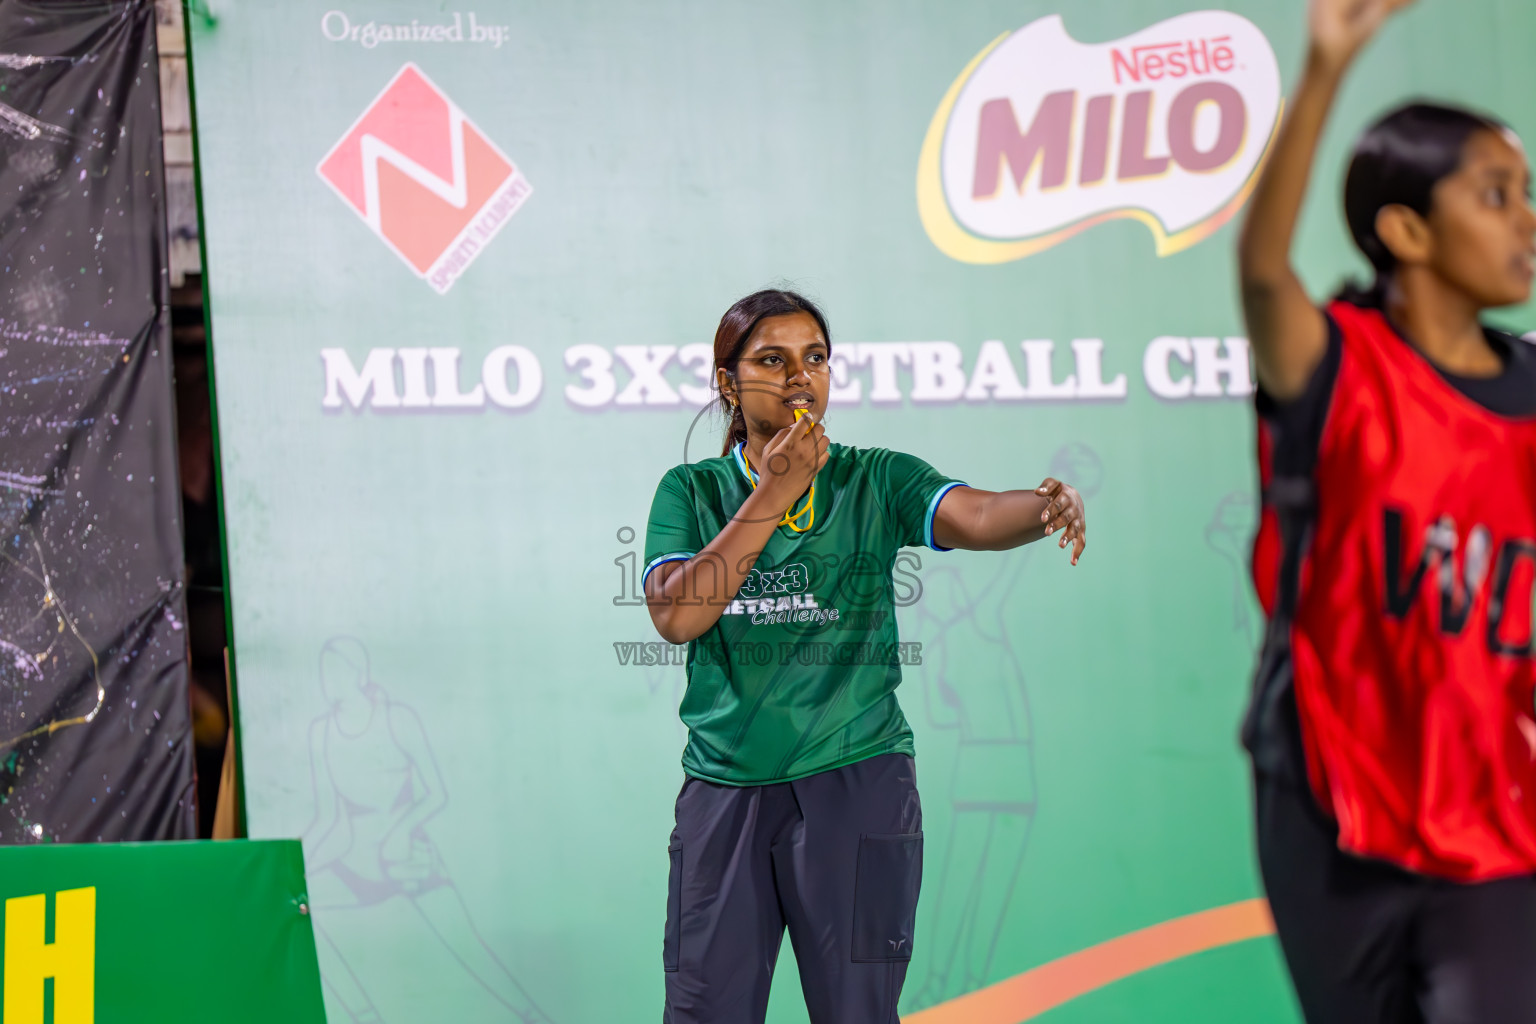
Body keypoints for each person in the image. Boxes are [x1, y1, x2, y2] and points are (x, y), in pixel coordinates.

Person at [643, 289, 1087, 1022]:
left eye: (814, 359)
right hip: (725, 790)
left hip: (858, 780)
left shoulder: (874, 477)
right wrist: (776, 492)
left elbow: (973, 513)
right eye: (772, 360)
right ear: (728, 383)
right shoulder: (692, 491)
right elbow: (680, 614)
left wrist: (1043, 507)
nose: (799, 377)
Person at [1238, 1, 1536, 1021]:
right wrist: (1325, 68)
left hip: (1499, 811)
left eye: (1527, 194)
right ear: (1407, 228)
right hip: (1328, 799)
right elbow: (1262, 272)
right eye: (1498, 196)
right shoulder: (1338, 366)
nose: (1527, 222)